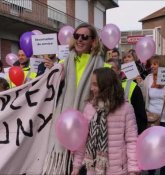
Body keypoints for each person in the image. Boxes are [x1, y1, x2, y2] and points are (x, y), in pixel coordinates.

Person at [42, 23, 111, 174]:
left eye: (84, 37)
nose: (79, 40)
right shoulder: (62, 64)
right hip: (65, 124)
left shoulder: (104, 67)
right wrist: (51, 73)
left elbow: (110, 97)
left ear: (93, 41)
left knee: (84, 168)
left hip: (91, 125)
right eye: (77, 36)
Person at [71, 68, 141, 175]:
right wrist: (76, 166)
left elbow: (132, 141)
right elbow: (83, 140)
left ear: (106, 86)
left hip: (118, 169)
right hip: (93, 169)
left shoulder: (126, 108)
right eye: (91, 84)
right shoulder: (89, 108)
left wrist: (133, 169)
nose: (91, 88)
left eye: (95, 85)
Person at [107, 58, 147, 134]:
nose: (109, 71)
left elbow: (140, 116)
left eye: (112, 68)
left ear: (119, 71)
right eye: (107, 68)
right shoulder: (101, 87)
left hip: (127, 134)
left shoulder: (133, 87)